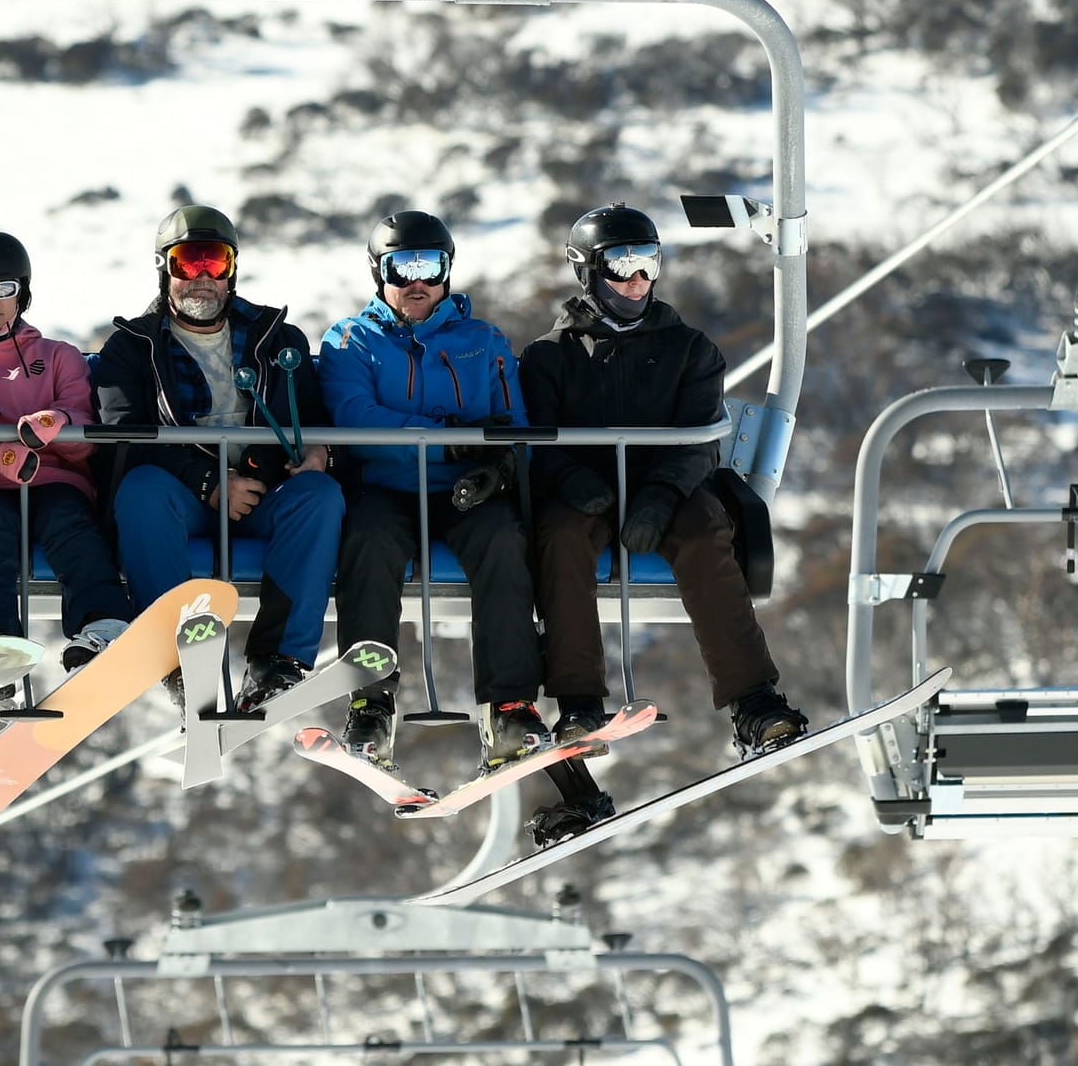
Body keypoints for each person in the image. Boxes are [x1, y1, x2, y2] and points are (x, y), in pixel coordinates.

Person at [519, 203, 808, 840]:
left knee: (706, 533)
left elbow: (702, 439)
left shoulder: (689, 350)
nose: (635, 280)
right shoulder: (549, 357)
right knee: (559, 537)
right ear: (587, 272)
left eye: (647, 264)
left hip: (670, 487)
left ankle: (754, 700)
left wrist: (656, 496)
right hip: (585, 491)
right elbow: (538, 440)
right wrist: (575, 482)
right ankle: (579, 702)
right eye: (620, 266)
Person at [319, 210, 551, 776]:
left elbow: (515, 427)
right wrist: (448, 442)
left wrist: (500, 469)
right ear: (379, 273)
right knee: (368, 541)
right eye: (402, 267)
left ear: (447, 271)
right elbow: (356, 419)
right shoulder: (352, 340)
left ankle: (509, 708)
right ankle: (370, 703)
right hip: (386, 487)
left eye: (430, 266)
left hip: (466, 491)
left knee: (503, 540)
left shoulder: (483, 341)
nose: (417, 281)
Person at [93, 205, 342, 709]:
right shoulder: (133, 347)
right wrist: (208, 483)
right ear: (165, 269)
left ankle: (279, 662)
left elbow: (314, 419)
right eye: (188, 262)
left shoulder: (277, 340)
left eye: (215, 261)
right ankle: (178, 660)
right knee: (140, 489)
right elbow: (123, 437)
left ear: (232, 269)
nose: (202, 277)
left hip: (263, 493)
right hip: (180, 497)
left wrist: (318, 452)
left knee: (319, 494)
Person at [0, 231, 135, 667]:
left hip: (53, 477)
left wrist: (56, 423)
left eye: (4, 289)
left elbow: (82, 425)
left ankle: (102, 621)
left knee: (68, 521)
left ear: (22, 293)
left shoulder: (59, 355)